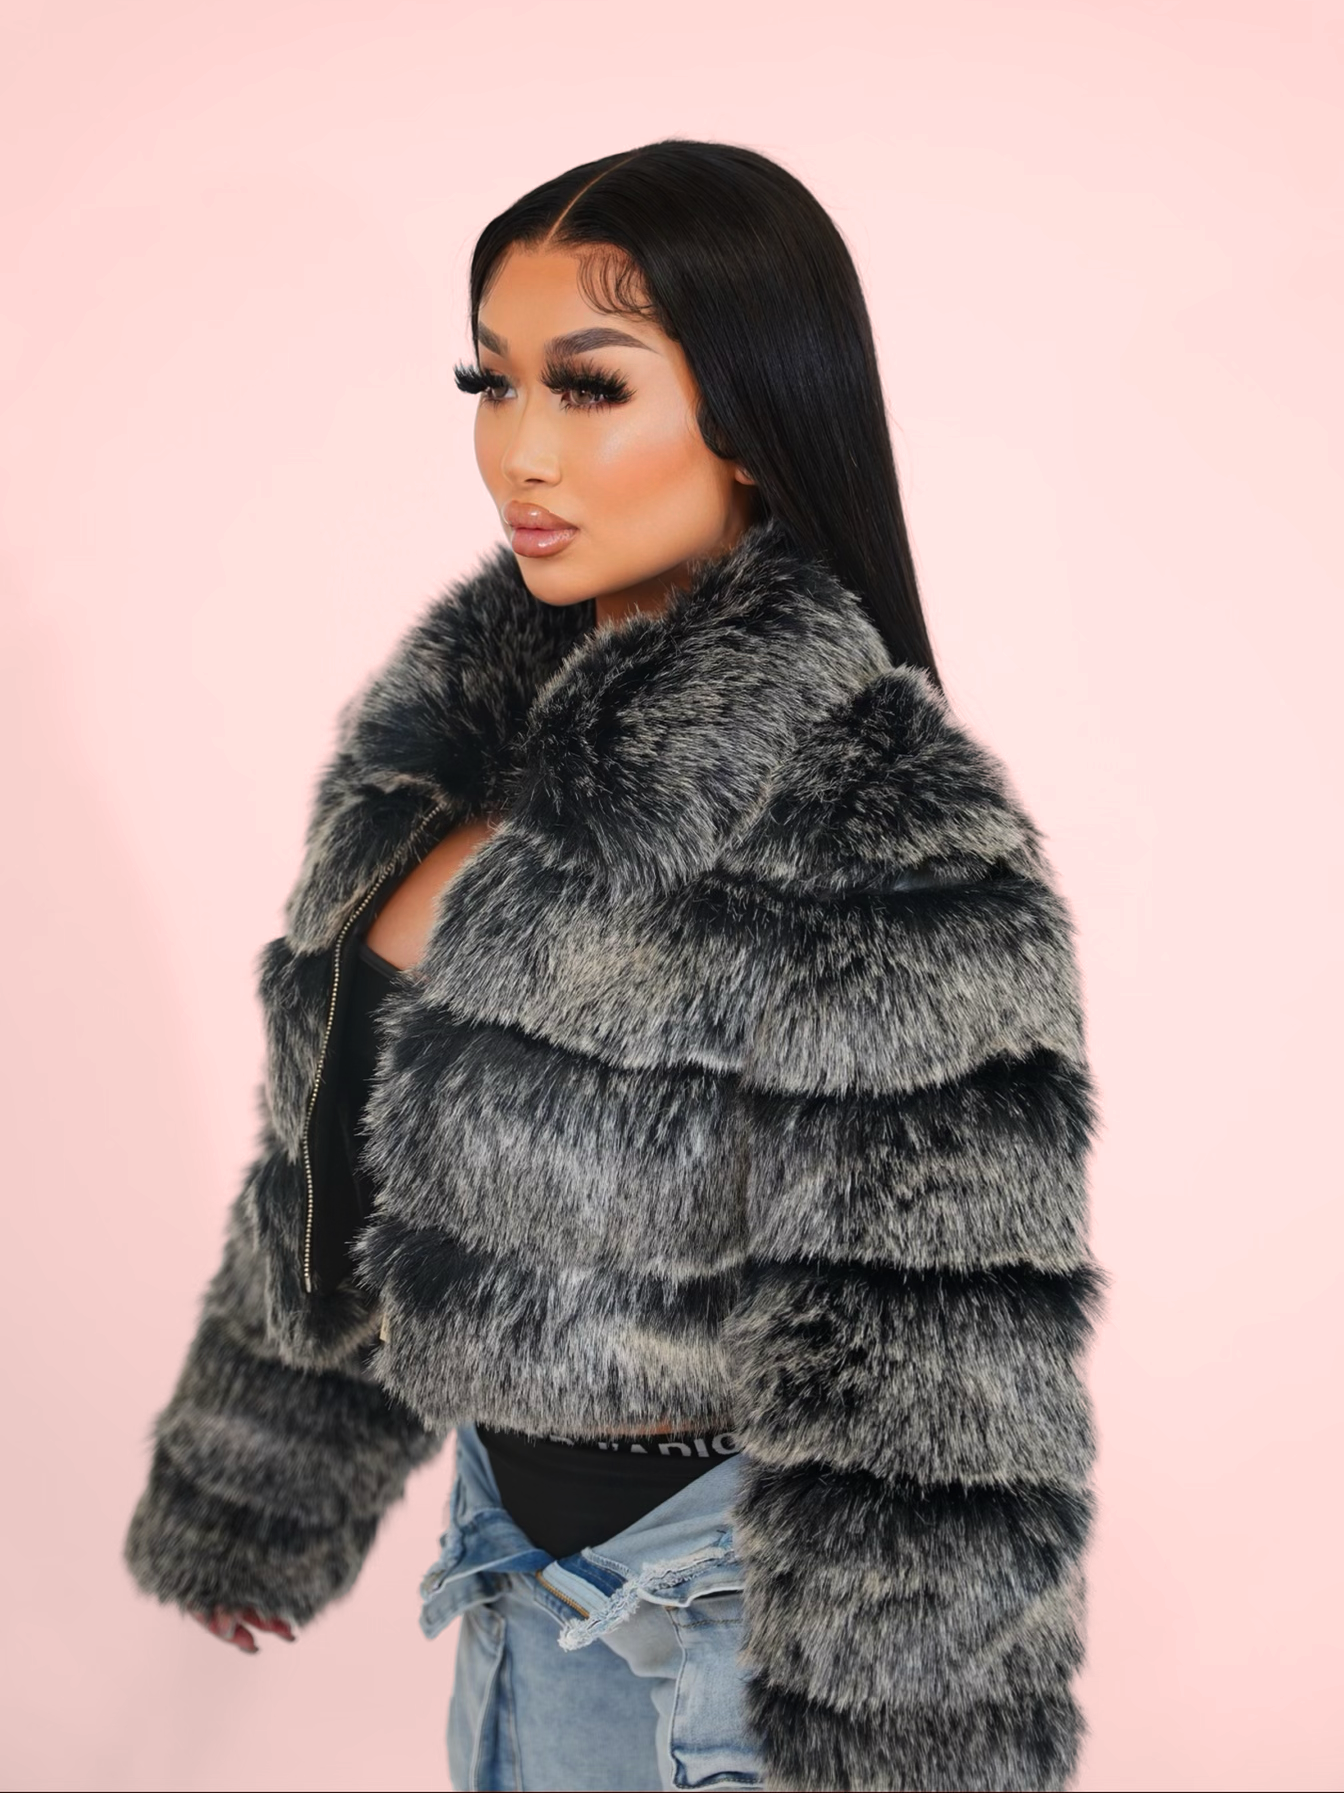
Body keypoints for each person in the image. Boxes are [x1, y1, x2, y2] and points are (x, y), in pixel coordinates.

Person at [124, 139, 1104, 1793]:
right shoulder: (426, 766)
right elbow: (335, 1174)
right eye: (491, 383)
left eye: (590, 387)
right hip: (515, 1577)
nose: (521, 449)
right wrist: (258, 1488)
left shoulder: (877, 821)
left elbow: (934, 1364)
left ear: (755, 416)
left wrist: (911, 1744)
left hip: (737, 1632)